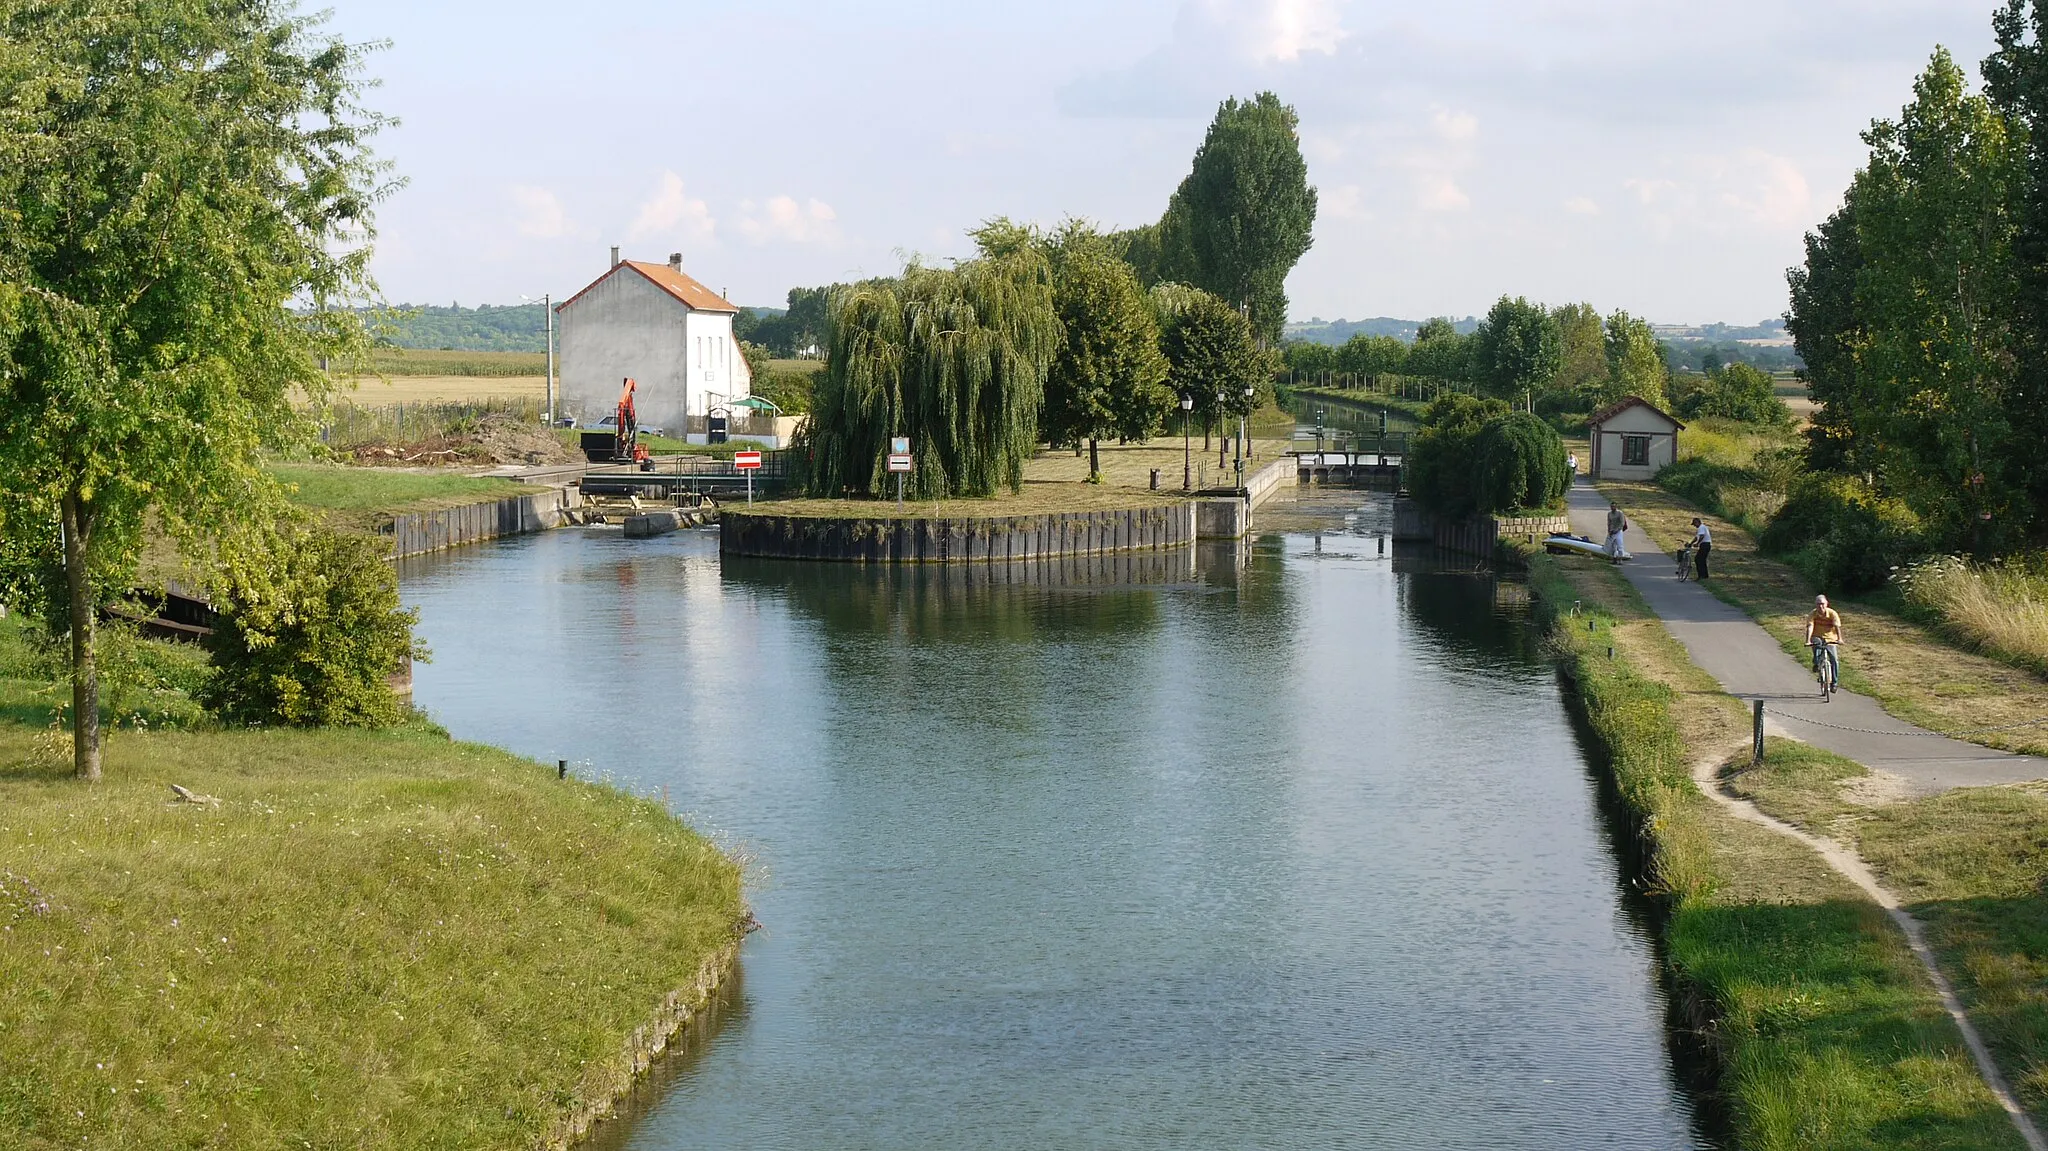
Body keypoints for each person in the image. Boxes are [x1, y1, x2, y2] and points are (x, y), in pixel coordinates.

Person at [1805, 594, 1844, 688]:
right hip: (1817, 636)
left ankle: (1834, 683)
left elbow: (1837, 626)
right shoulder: (1813, 614)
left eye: (1822, 604)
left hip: (1830, 638)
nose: (1820, 606)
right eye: (1818, 604)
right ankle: (1817, 663)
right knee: (1817, 649)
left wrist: (1840, 639)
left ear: (1826, 604)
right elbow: (1810, 626)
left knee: (1834, 660)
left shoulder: (1832, 613)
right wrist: (1808, 640)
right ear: (1815, 605)